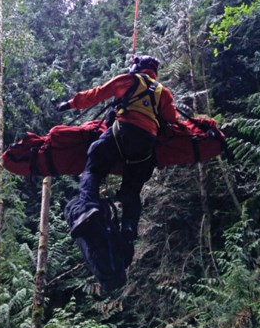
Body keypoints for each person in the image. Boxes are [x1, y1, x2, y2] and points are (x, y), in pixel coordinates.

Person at [56, 55, 179, 249]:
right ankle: (129, 228)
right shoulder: (163, 93)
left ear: (137, 67)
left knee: (94, 164)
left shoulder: (129, 80)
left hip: (123, 131)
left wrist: (70, 104)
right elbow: (173, 118)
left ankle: (89, 207)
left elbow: (96, 93)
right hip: (147, 143)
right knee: (132, 189)